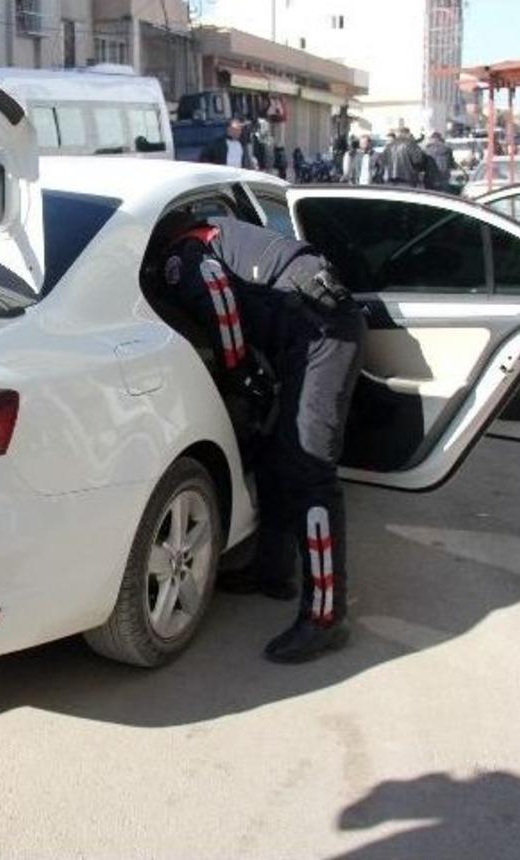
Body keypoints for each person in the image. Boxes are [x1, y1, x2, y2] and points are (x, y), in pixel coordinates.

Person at [149, 213, 364, 664]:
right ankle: (271, 570)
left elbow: (219, 299)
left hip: (322, 333)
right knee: (272, 451)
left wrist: (238, 370)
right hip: (302, 331)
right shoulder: (216, 231)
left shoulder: (185, 253)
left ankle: (327, 617)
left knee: (309, 473)